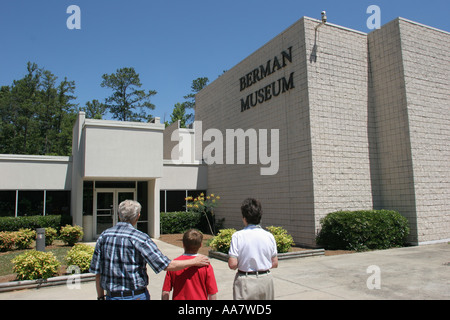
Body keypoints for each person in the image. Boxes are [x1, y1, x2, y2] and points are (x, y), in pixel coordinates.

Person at [89, 200, 210, 300]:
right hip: (135, 296)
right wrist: (194, 261)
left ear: (119, 215)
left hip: (111, 296)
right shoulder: (140, 238)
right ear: (138, 217)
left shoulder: (104, 236)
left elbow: (97, 272)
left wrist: (100, 297)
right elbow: (166, 265)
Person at [228, 198, 278, 300]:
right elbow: (275, 263)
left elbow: (232, 264)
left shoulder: (238, 236)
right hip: (266, 280)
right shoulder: (269, 236)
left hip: (246, 281)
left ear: (244, 218)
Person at [162, 229, 218, 300]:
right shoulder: (205, 265)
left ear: (183, 244)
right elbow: (212, 293)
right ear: (200, 245)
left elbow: (165, 292)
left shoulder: (174, 264)